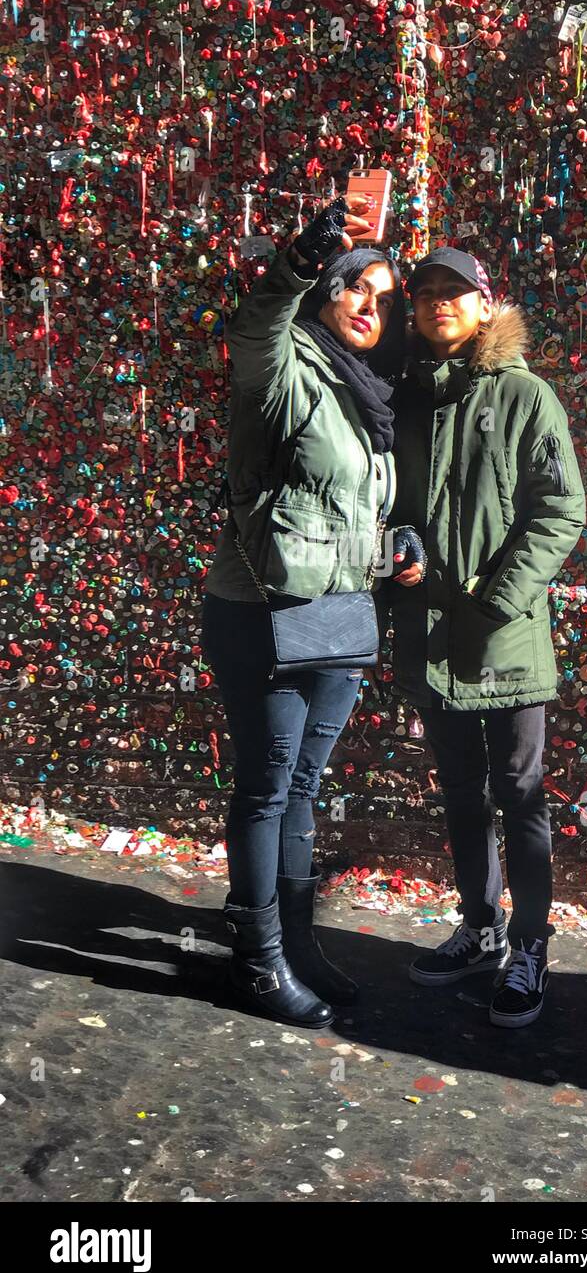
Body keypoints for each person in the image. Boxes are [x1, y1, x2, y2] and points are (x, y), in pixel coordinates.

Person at [201, 197, 423, 1028]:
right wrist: (299, 258)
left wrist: (399, 539)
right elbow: (256, 326)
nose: (373, 306)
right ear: (324, 294)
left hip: (337, 615)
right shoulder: (286, 365)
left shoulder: (369, 397)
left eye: (385, 296)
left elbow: (353, 505)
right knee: (265, 789)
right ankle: (255, 965)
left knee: (302, 786)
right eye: (356, 289)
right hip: (263, 609)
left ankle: (294, 943)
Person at [379, 248, 586, 1027]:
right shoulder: (403, 399)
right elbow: (385, 499)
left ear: (483, 303)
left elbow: (559, 510)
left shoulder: (525, 395)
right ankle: (480, 923)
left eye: (453, 293)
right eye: (425, 293)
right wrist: (395, 544)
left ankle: (529, 946)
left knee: (520, 795)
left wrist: (495, 601)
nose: (438, 304)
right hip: (426, 630)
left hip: (505, 637)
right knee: (462, 793)